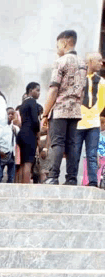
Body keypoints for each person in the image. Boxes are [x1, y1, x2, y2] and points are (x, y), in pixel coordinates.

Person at [41, 30, 87, 185]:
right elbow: (83, 90)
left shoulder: (60, 61)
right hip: (75, 110)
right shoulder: (83, 63)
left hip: (60, 109)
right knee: (72, 144)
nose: (57, 48)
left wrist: (45, 113)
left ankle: (53, 176)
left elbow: (53, 89)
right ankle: (72, 178)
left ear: (65, 42)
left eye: (58, 44)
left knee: (57, 143)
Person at [75, 53, 105, 188]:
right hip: (78, 122)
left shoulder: (102, 81)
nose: (101, 63)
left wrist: (91, 113)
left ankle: (93, 181)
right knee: (74, 152)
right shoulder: (78, 78)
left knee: (92, 154)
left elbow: (102, 102)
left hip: (93, 122)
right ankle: (71, 178)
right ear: (91, 61)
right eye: (99, 60)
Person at [16, 82, 41, 183]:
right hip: (30, 134)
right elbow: (35, 120)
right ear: (30, 91)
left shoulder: (23, 104)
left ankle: (21, 184)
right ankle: (26, 187)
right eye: (37, 90)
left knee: (22, 162)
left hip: (21, 133)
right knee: (28, 162)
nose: (39, 93)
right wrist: (38, 133)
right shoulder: (33, 102)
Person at [83, 115, 105, 187]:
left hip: (99, 156)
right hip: (98, 156)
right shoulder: (97, 135)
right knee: (95, 171)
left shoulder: (96, 134)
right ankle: (90, 182)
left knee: (95, 171)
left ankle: (90, 182)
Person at [0, 107, 20, 183]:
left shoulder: (15, 128)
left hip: (12, 154)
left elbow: (19, 136)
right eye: (9, 114)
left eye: (12, 114)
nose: (10, 115)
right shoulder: (1, 127)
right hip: (3, 153)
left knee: (11, 177)